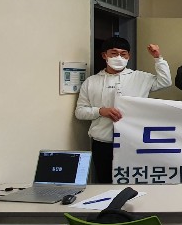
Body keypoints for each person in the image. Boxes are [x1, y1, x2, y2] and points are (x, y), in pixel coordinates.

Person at [74, 37, 172, 183]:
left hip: (133, 142)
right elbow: (80, 112)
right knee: (105, 182)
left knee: (134, 181)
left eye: (123, 54)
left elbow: (165, 81)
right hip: (103, 144)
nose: (119, 57)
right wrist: (100, 111)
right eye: (114, 53)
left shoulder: (140, 77)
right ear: (104, 55)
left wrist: (158, 57)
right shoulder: (91, 82)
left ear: (129, 56)